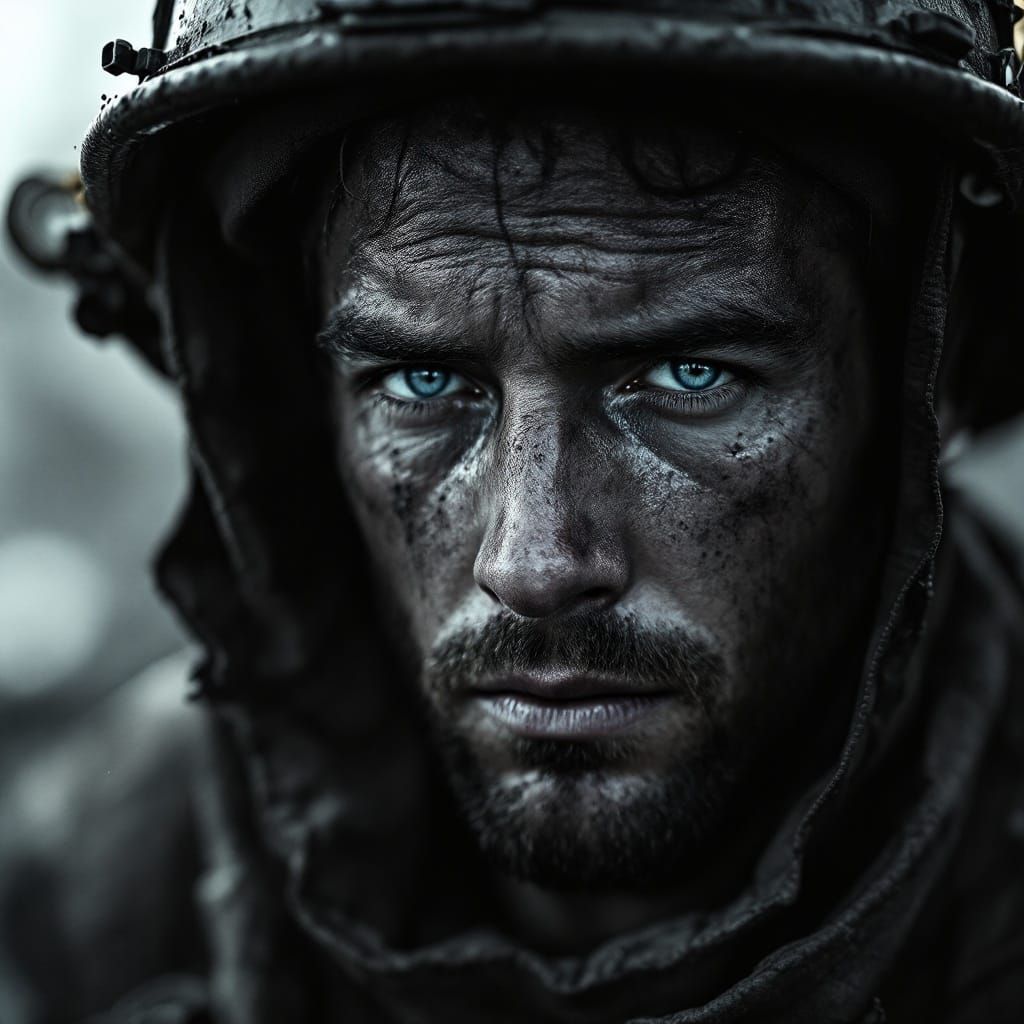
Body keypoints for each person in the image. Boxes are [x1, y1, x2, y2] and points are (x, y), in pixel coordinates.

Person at [5, 2, 1024, 1022]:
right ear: (290, 418)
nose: (532, 560)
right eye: (421, 384)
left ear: (920, 382)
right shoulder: (91, 891)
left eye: (689, 372)